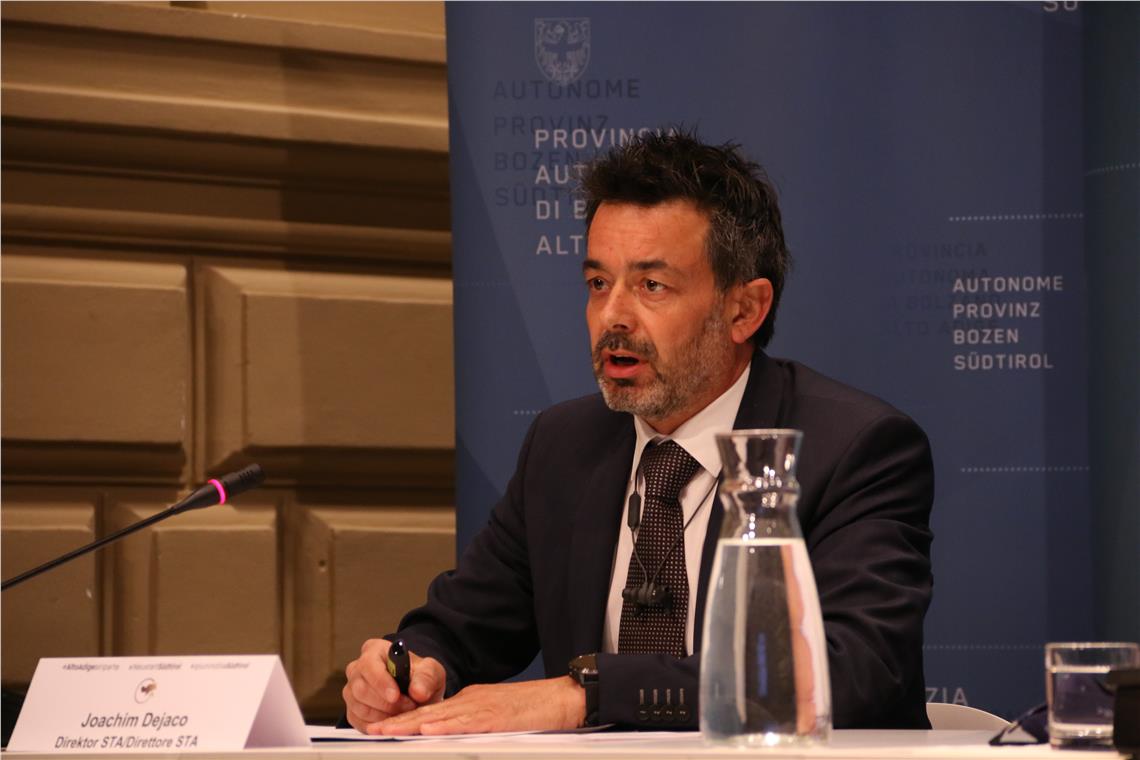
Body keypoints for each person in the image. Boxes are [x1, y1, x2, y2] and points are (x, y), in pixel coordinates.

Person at [343, 131, 934, 735]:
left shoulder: (852, 448)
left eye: (652, 286)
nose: (613, 317)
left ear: (744, 310)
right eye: (599, 284)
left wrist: (586, 695)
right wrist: (409, 668)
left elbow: (857, 669)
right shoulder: (564, 445)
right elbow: (462, 626)